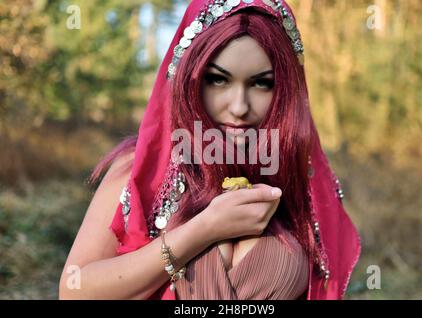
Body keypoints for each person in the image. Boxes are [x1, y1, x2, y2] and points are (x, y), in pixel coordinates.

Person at [59, 0, 361, 300]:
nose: (240, 106)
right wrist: (204, 229)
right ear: (189, 78)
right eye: (218, 80)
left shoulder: (300, 178)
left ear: (284, 89)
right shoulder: (139, 168)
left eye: (261, 83)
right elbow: (75, 291)